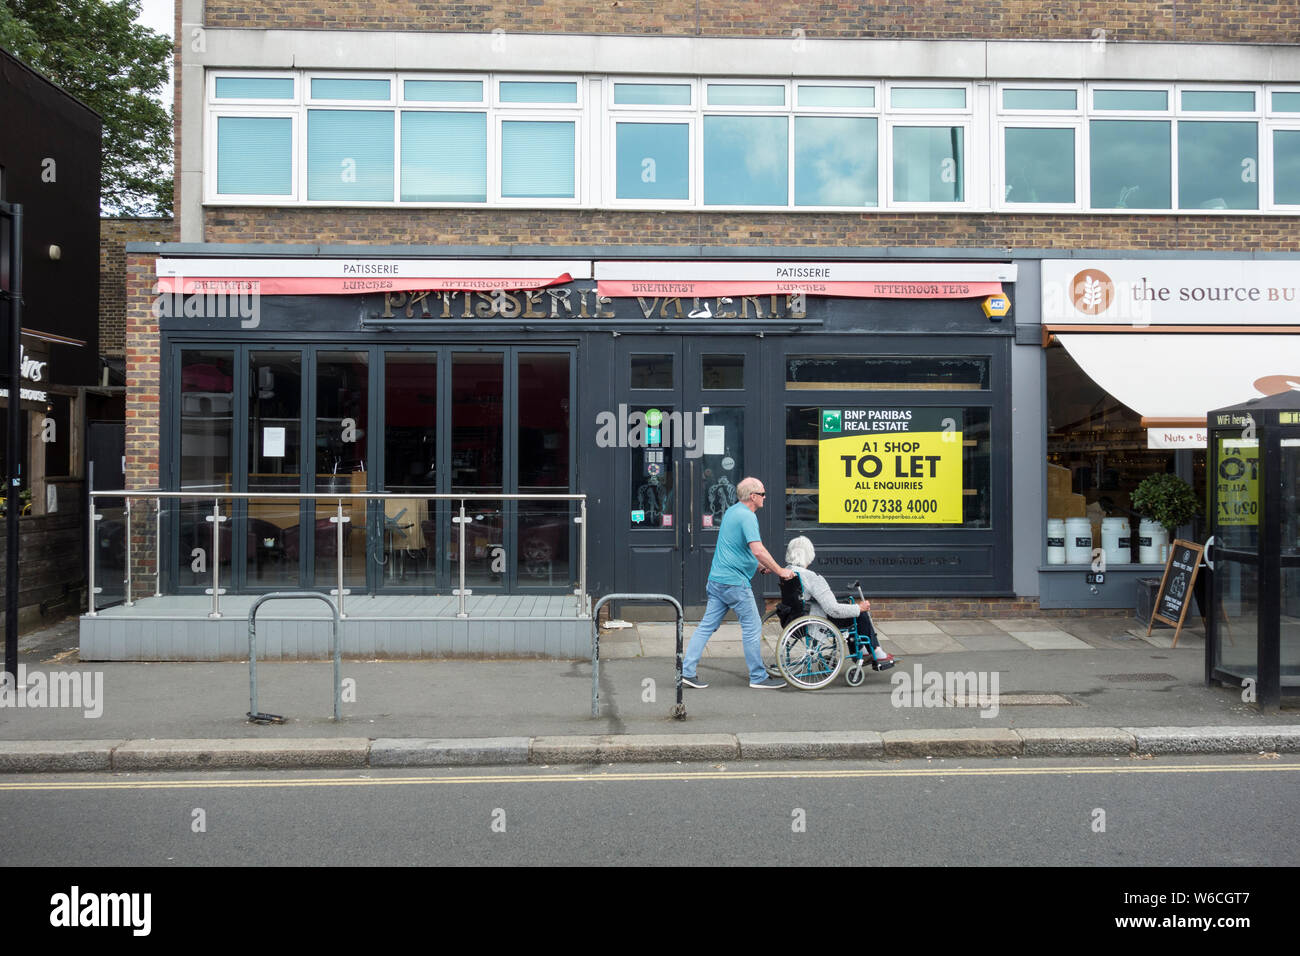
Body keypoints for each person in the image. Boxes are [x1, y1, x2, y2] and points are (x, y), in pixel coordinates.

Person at [682, 476, 793, 689]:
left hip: (716, 580)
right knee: (752, 627)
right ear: (753, 496)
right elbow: (757, 549)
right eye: (762, 494)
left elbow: (737, 546)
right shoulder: (748, 517)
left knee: (706, 626)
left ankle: (687, 671)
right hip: (734, 584)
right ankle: (758, 677)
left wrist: (759, 566)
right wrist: (781, 571)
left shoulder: (732, 512)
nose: (765, 497)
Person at [784, 536, 896, 671]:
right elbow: (833, 610)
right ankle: (875, 650)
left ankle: (865, 650)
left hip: (795, 616)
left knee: (852, 608)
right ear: (810, 554)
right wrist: (858, 608)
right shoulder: (812, 578)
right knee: (859, 614)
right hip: (816, 621)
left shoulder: (787, 572)